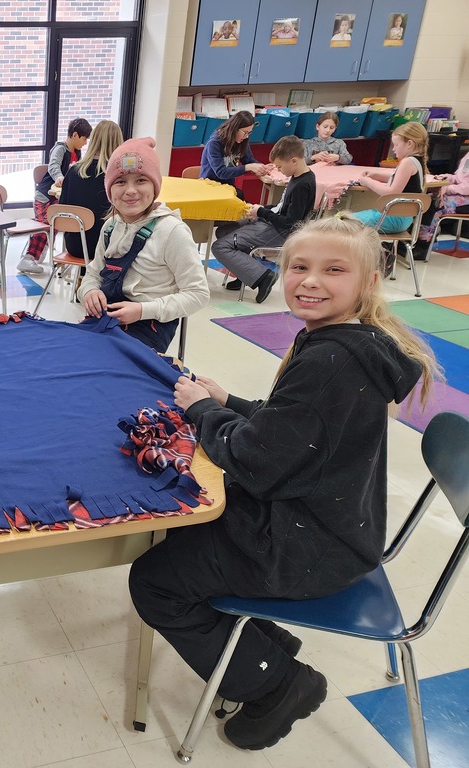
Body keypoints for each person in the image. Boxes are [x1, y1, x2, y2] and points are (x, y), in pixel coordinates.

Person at [129, 215, 439, 753]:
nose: (310, 281)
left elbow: (256, 461)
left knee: (154, 582)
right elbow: (295, 429)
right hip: (332, 525)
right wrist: (230, 404)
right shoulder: (349, 342)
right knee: (181, 534)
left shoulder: (333, 360)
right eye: (299, 266)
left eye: (333, 270)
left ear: (367, 282)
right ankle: (262, 642)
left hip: (307, 546)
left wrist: (202, 411)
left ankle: (278, 683)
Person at [78, 137, 210, 353]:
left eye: (141, 180)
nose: (130, 190)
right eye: (120, 181)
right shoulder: (110, 227)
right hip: (107, 320)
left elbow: (198, 294)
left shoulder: (171, 231)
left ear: (155, 186)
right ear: (110, 189)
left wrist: (141, 310)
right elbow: (93, 274)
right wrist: (89, 291)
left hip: (149, 326)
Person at [212, 135, 316, 302]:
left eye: (280, 167)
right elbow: (283, 207)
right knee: (224, 231)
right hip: (273, 223)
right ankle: (246, 274)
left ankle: (263, 277)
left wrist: (261, 212)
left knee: (219, 247)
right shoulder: (298, 177)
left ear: (294, 160)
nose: (279, 171)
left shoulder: (303, 184)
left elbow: (290, 222)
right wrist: (261, 208)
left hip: (283, 231)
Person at [21, 118, 93, 274]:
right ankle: (27, 259)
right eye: (84, 138)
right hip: (44, 197)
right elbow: (53, 166)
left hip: (56, 197)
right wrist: (60, 177)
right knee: (45, 227)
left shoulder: (77, 152)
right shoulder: (60, 149)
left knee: (55, 226)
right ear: (75, 135)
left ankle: (36, 256)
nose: (85, 142)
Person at [58, 119, 124, 261]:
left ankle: (83, 278)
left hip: (76, 245)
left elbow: (62, 208)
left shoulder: (74, 171)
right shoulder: (118, 175)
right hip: (108, 246)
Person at [350, 122, 428, 234]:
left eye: (396, 145)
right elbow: (400, 179)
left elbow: (392, 192)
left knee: (342, 220)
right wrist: (375, 175)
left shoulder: (407, 162)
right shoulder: (416, 161)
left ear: (409, 144)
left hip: (394, 219)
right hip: (403, 219)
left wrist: (367, 182)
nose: (393, 149)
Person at [200, 111, 271, 200]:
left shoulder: (241, 140)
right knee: (240, 199)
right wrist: (248, 167)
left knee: (241, 198)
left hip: (228, 187)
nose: (247, 136)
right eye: (245, 132)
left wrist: (262, 167)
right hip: (210, 187)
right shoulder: (214, 143)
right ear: (234, 129)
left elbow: (249, 160)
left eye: (249, 133)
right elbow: (221, 172)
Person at [415, 149, 469, 257]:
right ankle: (416, 238)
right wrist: (445, 178)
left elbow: (467, 187)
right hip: (460, 194)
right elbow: (460, 178)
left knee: (436, 203)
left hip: (466, 200)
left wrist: (447, 188)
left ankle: (423, 245)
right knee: (425, 199)